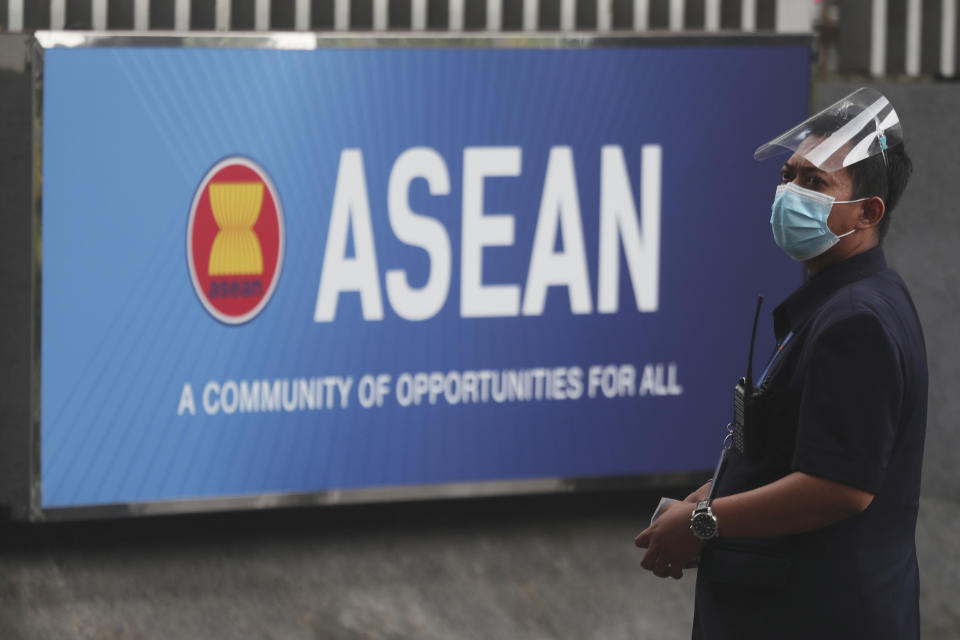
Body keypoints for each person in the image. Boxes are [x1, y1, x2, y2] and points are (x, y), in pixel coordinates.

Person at [634, 87, 927, 639]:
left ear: (867, 212)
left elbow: (839, 485)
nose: (790, 192)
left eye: (814, 183)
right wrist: (697, 503)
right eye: (789, 175)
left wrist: (703, 523)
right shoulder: (842, 303)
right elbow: (778, 451)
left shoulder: (857, 321)